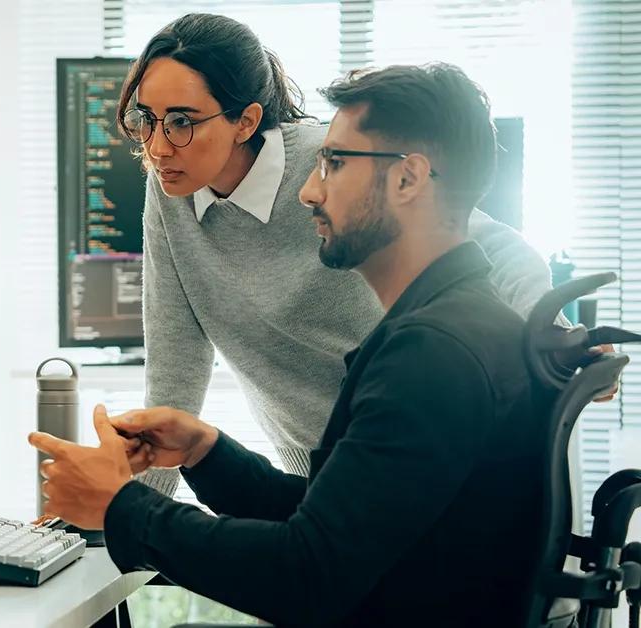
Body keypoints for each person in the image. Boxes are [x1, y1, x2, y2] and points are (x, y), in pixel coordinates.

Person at [30, 64, 546, 627]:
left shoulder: (432, 356)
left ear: (408, 179)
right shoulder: (449, 327)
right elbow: (334, 525)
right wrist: (208, 454)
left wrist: (120, 507)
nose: (308, 190)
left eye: (335, 163)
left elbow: (305, 574)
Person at [122, 13, 560, 480]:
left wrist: (549, 333)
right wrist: (129, 522)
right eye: (145, 119)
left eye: (181, 122)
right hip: (316, 471)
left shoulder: (332, 164)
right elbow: (176, 360)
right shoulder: (171, 190)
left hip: (423, 450)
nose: (157, 147)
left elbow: (488, 243)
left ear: (246, 121)